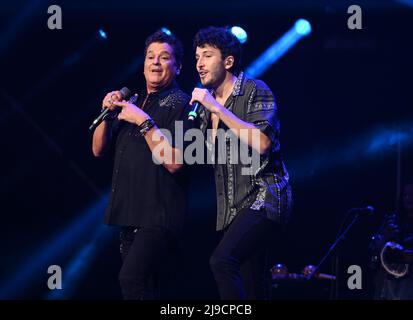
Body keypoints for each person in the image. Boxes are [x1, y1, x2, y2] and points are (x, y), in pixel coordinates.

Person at [190, 26, 292, 299]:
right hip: (233, 208)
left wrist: (217, 109)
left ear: (228, 61)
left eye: (207, 55)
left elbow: (262, 143)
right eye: (197, 56)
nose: (199, 63)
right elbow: (203, 154)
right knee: (251, 285)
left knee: (221, 261)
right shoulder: (203, 107)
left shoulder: (255, 90)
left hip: (265, 196)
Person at [92, 30, 190, 299]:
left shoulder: (183, 105)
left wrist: (144, 121)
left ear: (178, 67)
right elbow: (98, 150)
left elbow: (175, 163)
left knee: (131, 279)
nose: (155, 62)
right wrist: (108, 116)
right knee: (145, 287)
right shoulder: (133, 102)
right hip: (130, 216)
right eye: (150, 56)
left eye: (164, 57)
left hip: (159, 216)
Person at [369, 180, 413, 300]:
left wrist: (404, 254)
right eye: (405, 195)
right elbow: (375, 252)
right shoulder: (392, 220)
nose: (408, 198)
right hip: (388, 281)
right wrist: (385, 237)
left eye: (412, 194)